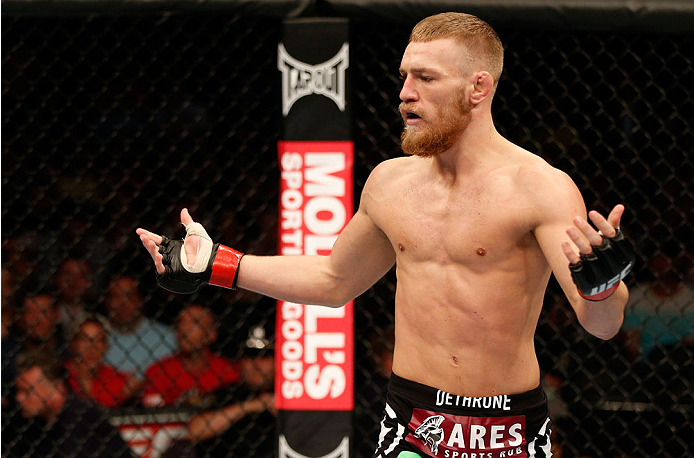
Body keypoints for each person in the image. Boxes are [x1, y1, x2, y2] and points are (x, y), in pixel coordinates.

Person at [136, 12, 634, 456]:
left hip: (508, 428)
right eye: (404, 77)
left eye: (425, 77)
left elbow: (601, 323)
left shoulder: (540, 188)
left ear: (478, 88)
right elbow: (334, 279)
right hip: (411, 422)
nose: (405, 93)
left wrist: (606, 289)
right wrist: (219, 264)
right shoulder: (390, 183)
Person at [14, 348, 134, 457]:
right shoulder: (35, 424)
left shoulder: (81, 422)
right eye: (18, 390)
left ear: (56, 389)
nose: (19, 398)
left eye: (27, 391)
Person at [142, 304, 240, 407]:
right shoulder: (158, 371)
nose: (184, 330)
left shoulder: (227, 370)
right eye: (181, 323)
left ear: (211, 334)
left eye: (195, 323)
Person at [104, 275, 177, 378]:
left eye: (130, 296)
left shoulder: (167, 337)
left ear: (141, 300)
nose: (124, 303)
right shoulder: (96, 338)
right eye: (116, 296)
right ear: (106, 301)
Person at [66, 315, 141, 408]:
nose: (92, 348)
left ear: (106, 346)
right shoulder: (60, 376)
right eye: (84, 339)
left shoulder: (117, 379)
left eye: (99, 340)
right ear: (72, 344)